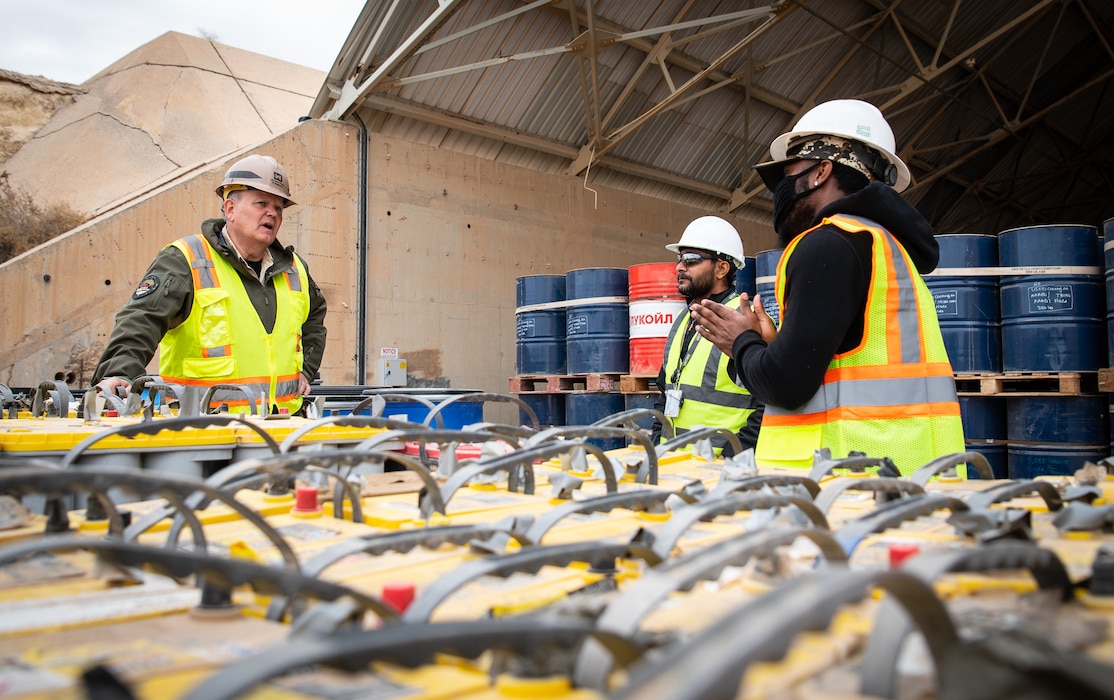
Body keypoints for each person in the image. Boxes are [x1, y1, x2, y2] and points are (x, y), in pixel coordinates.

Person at [690, 99, 964, 475]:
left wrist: (740, 341)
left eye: (790, 174)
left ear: (820, 171)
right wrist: (772, 345)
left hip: (850, 480)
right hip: (908, 471)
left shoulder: (829, 244)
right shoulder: (883, 246)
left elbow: (787, 385)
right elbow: (840, 362)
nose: (783, 189)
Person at [91, 154, 327, 415]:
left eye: (278, 207)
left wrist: (306, 369)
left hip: (280, 426)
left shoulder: (294, 268)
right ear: (230, 209)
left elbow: (314, 317)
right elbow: (142, 318)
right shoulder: (186, 259)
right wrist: (119, 373)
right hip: (200, 429)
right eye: (261, 203)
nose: (272, 212)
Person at [650, 216, 764, 457]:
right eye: (679, 258)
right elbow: (665, 390)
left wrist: (733, 457)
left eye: (691, 259)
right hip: (673, 464)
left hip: (719, 474)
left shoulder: (747, 321)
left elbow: (769, 402)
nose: (680, 267)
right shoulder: (683, 320)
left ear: (722, 268)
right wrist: (655, 444)